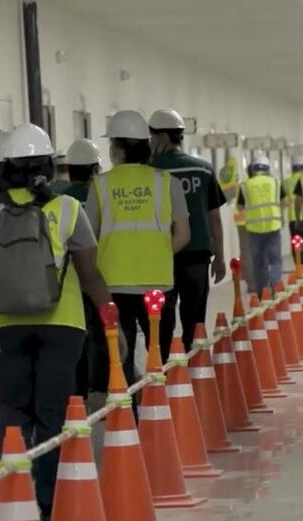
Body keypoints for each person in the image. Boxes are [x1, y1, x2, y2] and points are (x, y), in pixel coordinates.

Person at [0, 124, 112, 521]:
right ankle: (48, 504)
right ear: (48, 166)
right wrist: (110, 319)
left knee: (12, 407)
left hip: (4, 324)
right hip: (63, 324)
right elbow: (90, 274)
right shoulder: (68, 209)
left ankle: (14, 493)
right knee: (51, 412)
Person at [84, 109, 190, 383]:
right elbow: (183, 234)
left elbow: (89, 237)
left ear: (117, 148)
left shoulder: (100, 185)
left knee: (121, 355)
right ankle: (162, 400)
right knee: (159, 352)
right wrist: (161, 254)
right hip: (158, 281)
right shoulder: (167, 182)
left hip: (113, 282)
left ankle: (127, 406)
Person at [148, 108, 227, 358]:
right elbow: (215, 218)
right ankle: (196, 367)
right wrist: (220, 257)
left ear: (160, 137)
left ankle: (162, 368)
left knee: (162, 319)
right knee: (195, 319)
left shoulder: (148, 171)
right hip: (198, 255)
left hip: (162, 256)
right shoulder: (203, 170)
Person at [56, 139, 107, 400]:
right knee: (100, 333)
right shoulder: (100, 194)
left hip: (67, 279)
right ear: (95, 168)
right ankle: (99, 388)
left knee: (77, 336)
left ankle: (78, 392)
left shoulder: (59, 197)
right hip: (97, 274)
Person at [236, 155, 285, 296]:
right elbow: (284, 201)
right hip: (273, 227)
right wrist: (280, 214)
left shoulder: (246, 185)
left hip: (254, 230)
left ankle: (261, 292)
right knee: (275, 261)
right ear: (267, 169)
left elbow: (240, 207)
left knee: (258, 263)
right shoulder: (275, 182)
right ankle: (275, 287)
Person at [284, 156, 303, 238]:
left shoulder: (286, 182)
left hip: (292, 218)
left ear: (292, 168)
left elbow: (284, 200)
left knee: (296, 241)